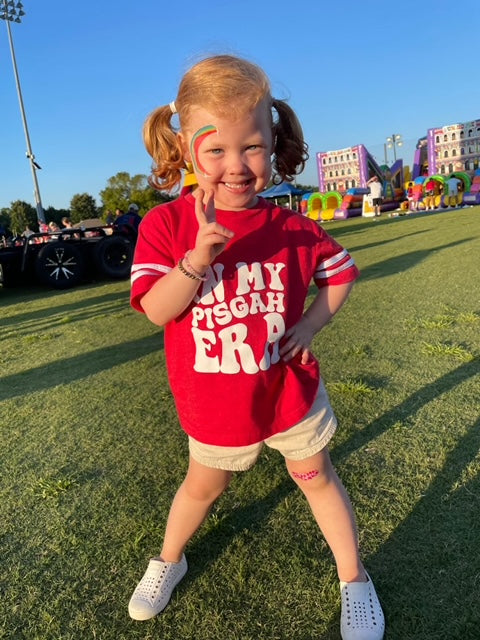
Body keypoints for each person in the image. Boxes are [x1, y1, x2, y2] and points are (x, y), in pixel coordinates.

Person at [128, 54, 385, 640]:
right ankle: (169, 559)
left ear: (274, 142)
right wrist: (197, 260)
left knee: (315, 475)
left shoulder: (292, 226)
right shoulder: (166, 226)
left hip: (287, 392)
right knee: (203, 485)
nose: (236, 166)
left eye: (253, 147)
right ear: (186, 148)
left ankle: (354, 579)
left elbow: (342, 273)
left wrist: (312, 326)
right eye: (216, 149)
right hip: (214, 402)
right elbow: (154, 309)